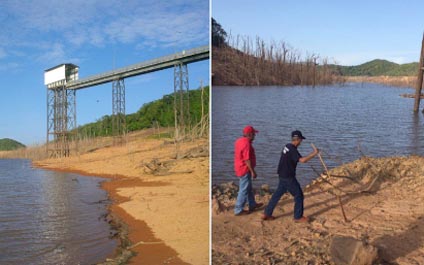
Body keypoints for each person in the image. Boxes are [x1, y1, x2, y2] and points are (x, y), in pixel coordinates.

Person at [262, 130, 319, 223]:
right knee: (299, 195)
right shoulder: (293, 150)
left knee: (277, 194)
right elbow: (303, 160)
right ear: (297, 139)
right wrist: (314, 153)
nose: (301, 142)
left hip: (281, 174)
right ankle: (298, 217)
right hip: (288, 176)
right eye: (300, 140)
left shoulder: (287, 146)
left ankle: (267, 213)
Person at [233, 125, 263, 216]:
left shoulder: (239, 141)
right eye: (254, 134)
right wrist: (253, 171)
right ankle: (238, 210)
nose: (255, 136)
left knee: (248, 188)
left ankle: (252, 204)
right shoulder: (246, 144)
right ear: (249, 134)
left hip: (239, 167)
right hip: (244, 169)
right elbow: (247, 160)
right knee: (244, 189)